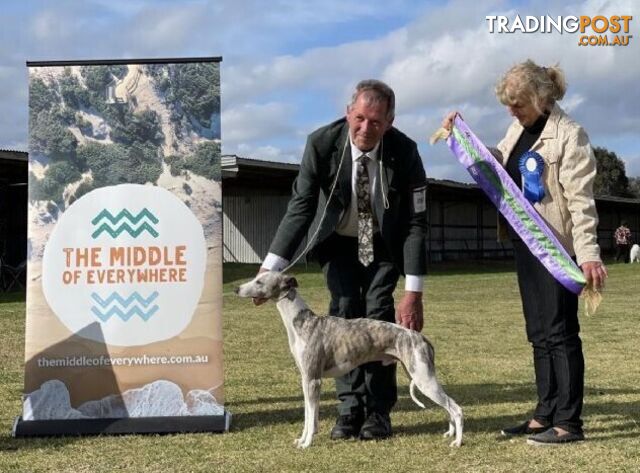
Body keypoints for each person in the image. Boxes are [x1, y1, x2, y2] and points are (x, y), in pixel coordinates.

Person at [442, 60, 607, 445]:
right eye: (508, 104)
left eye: (517, 103)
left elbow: (582, 201)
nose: (511, 111)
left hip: (558, 248)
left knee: (560, 332)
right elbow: (496, 163)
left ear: (540, 97)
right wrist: (464, 136)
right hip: (525, 240)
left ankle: (569, 422)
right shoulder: (517, 127)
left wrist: (589, 254)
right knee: (538, 333)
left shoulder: (570, 134)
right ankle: (544, 413)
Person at [256, 79, 428, 441]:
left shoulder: (406, 152)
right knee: (344, 312)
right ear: (348, 113)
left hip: (383, 244)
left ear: (390, 122)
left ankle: (378, 413)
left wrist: (414, 291)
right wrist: (270, 268)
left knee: (379, 314)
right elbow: (300, 208)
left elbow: (415, 221)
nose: (366, 129)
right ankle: (349, 411)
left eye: (377, 122)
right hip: (338, 242)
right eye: (360, 118)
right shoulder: (321, 143)